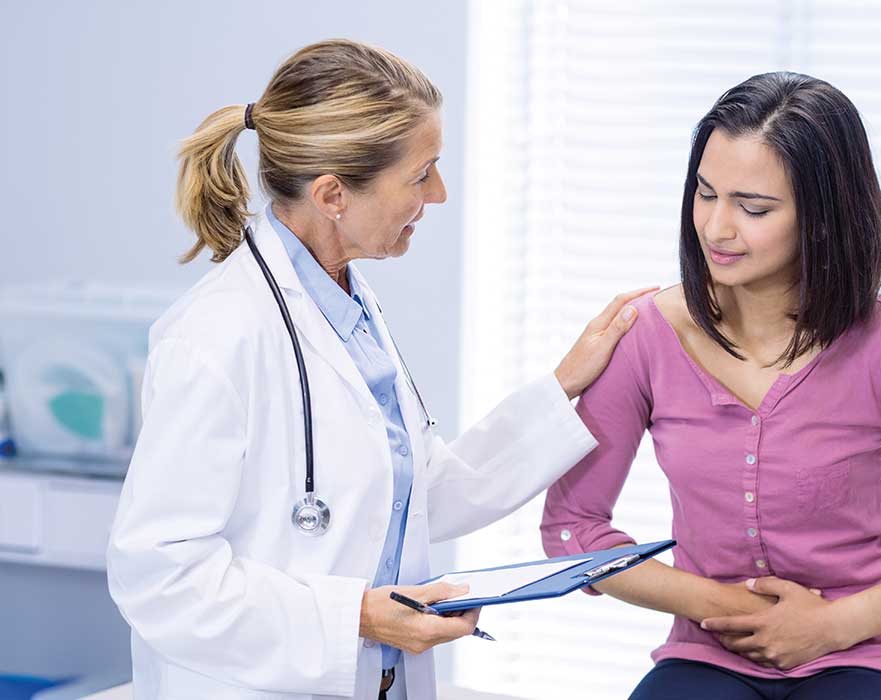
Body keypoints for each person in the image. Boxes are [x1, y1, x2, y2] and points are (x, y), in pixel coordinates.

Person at [107, 39, 653, 700]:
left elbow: (417, 495)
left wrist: (564, 384)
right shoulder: (216, 335)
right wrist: (357, 618)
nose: (439, 194)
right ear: (333, 194)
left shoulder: (347, 307)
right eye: (422, 174)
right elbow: (159, 577)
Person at [540, 72, 881, 700]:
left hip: (870, 656)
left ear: (822, 217)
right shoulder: (645, 335)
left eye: (753, 208)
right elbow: (572, 529)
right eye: (705, 194)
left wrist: (830, 626)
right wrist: (723, 605)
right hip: (707, 656)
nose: (716, 228)